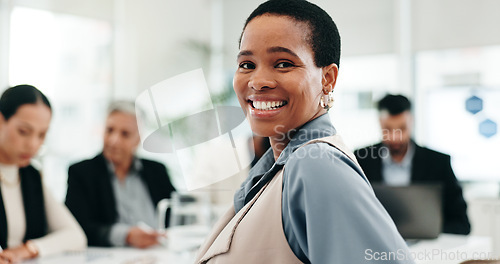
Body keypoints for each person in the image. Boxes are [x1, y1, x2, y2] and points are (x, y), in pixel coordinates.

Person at [195, 1, 414, 263]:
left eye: (283, 63)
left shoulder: (316, 164)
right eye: (247, 64)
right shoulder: (281, 164)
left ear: (327, 79)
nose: (258, 81)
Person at [354, 94, 470, 235]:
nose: (395, 137)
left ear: (412, 122)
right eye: (388, 130)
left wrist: (431, 231)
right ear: (379, 123)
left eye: (402, 129)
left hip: (427, 249)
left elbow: (461, 223)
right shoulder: (361, 159)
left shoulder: (438, 162)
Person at [65, 101, 176, 248]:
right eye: (109, 130)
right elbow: (76, 229)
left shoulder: (157, 171)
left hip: (160, 253)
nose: (114, 140)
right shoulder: (82, 172)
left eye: (125, 134)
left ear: (138, 139)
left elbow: (176, 212)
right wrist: (126, 236)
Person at [0, 85, 86, 263]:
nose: (33, 144)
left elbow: (76, 236)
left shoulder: (30, 176)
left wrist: (30, 249)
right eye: (24, 132)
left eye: (42, 135)